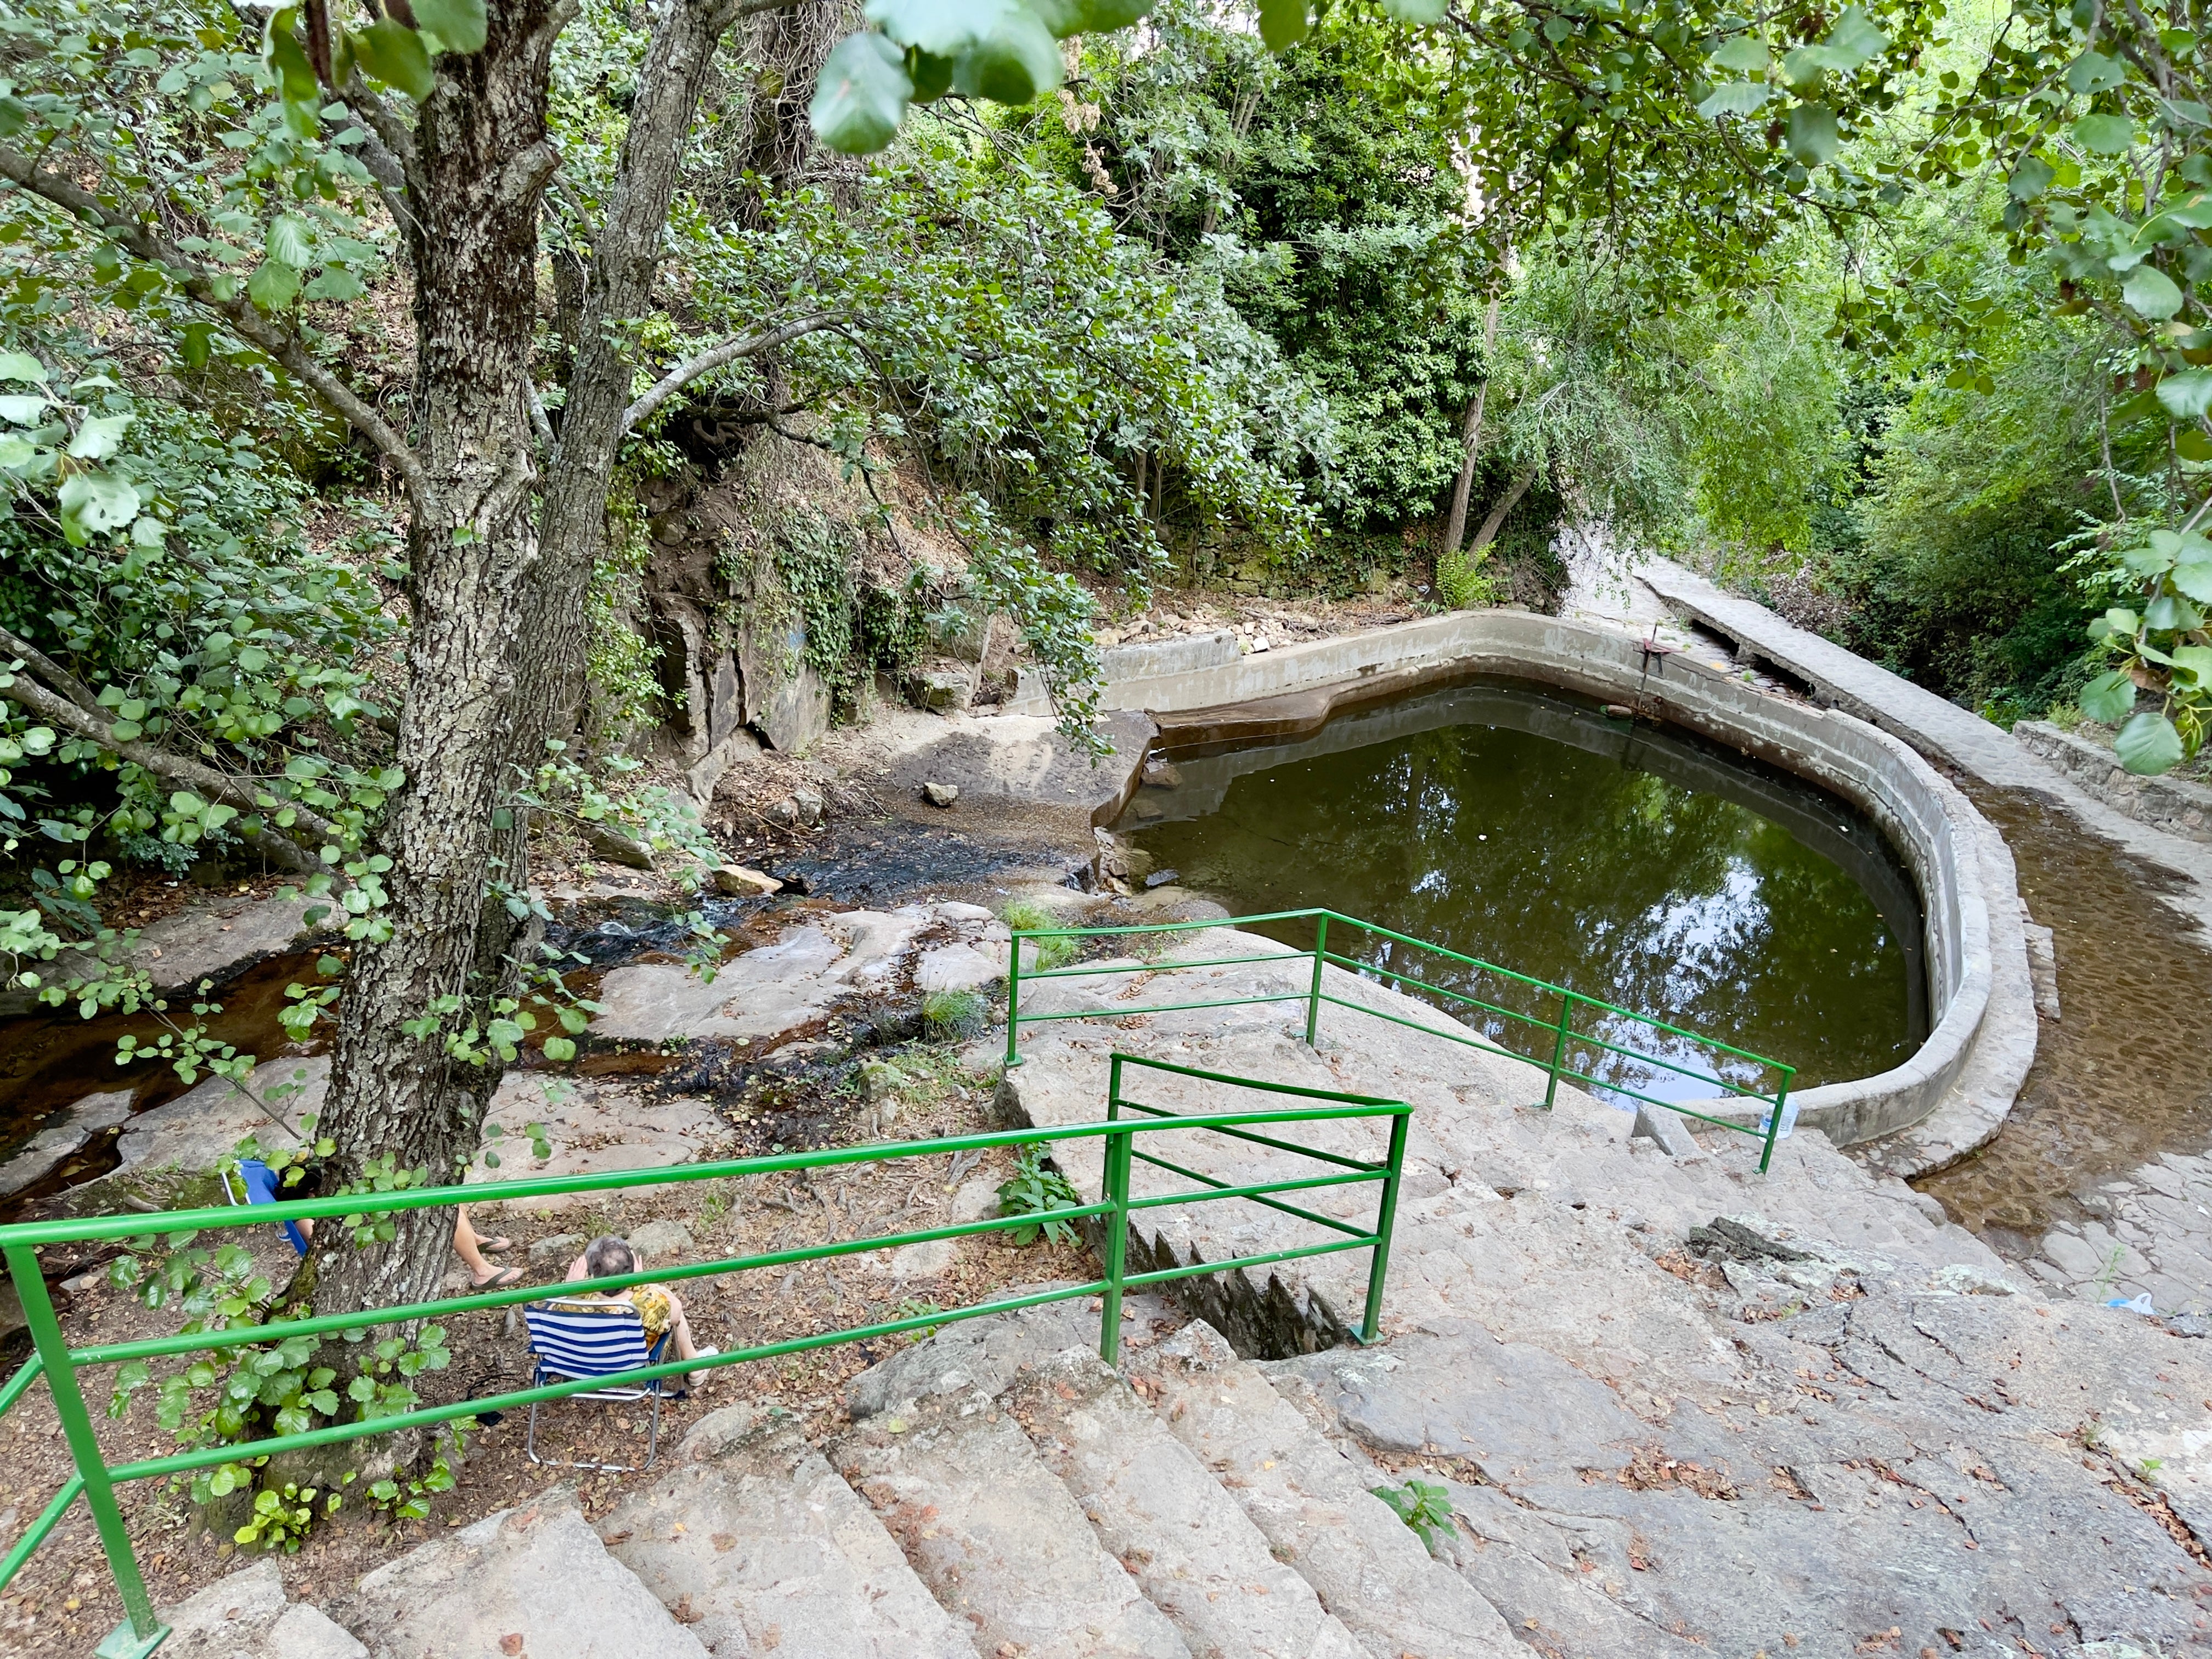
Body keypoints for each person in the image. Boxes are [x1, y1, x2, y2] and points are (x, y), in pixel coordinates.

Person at [565, 1234, 719, 1386]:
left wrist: (568, 1290)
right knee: (670, 1303)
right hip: (630, 1366)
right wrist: (644, 1285)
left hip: (583, 1363)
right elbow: (676, 1311)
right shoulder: (647, 1304)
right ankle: (695, 1368)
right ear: (631, 1271)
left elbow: (553, 1309)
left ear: (590, 1276)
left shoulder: (568, 1305)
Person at [290, 1204, 520, 1289]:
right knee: (439, 1206)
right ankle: (482, 1271)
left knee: (445, 1197)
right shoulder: (303, 1214)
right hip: (371, 1250)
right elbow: (331, 1249)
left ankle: (475, 1241)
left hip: (373, 1231)